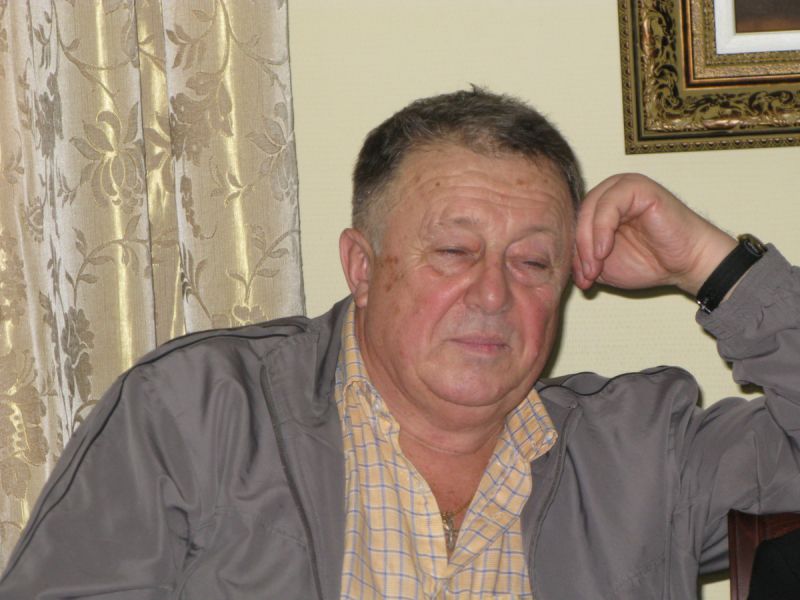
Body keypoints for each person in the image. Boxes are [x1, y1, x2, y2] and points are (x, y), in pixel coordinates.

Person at [1, 88, 799, 599]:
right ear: (361, 267)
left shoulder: (645, 454)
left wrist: (714, 265)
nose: (494, 295)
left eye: (532, 263)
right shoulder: (198, 415)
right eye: (453, 252)